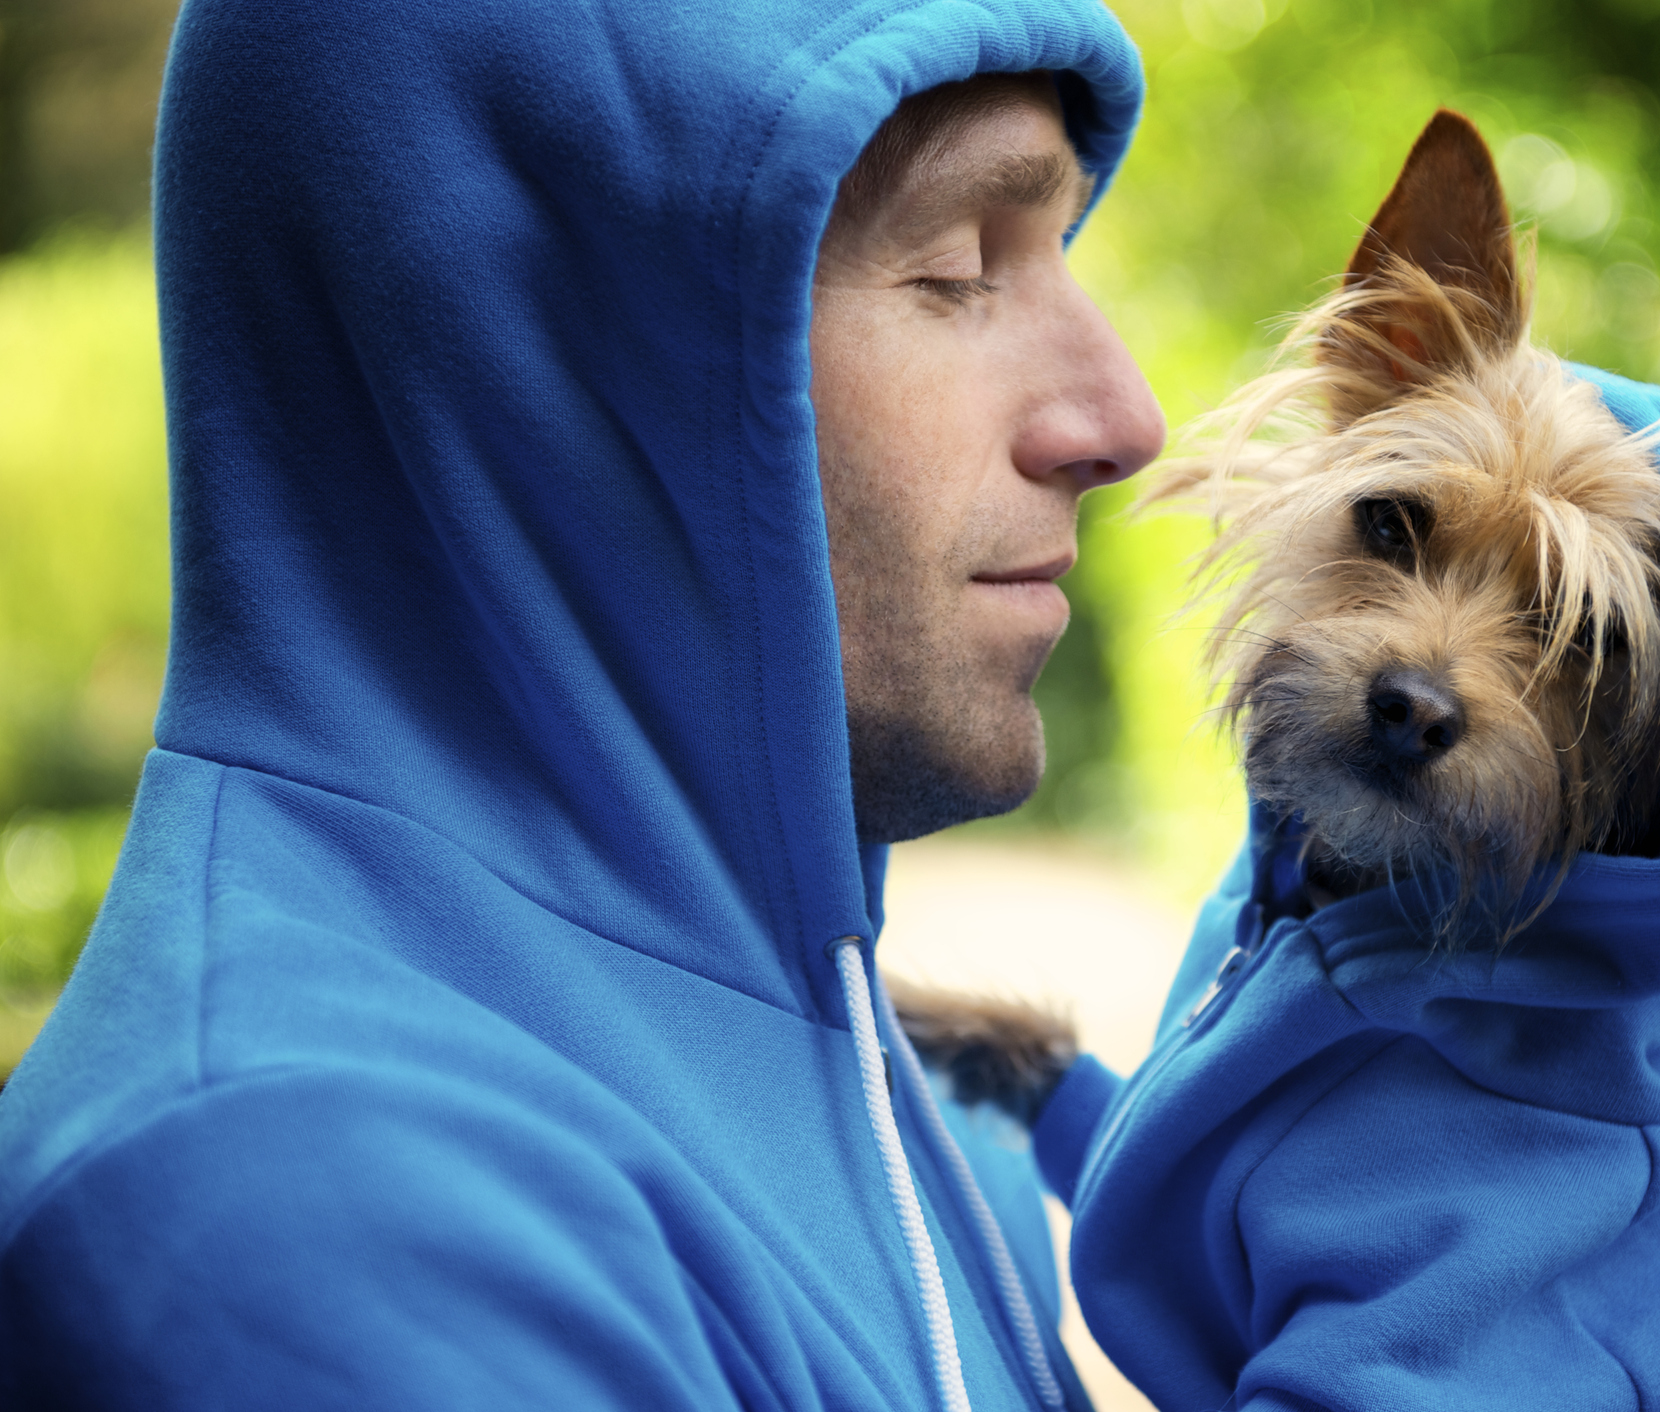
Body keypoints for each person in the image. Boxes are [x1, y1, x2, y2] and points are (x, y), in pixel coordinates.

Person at [0, 0, 1161, 1407]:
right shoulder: (311, 1205)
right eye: (955, 269)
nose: (1122, 418)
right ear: (530, 350)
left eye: (1057, 246)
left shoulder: (876, 1076)